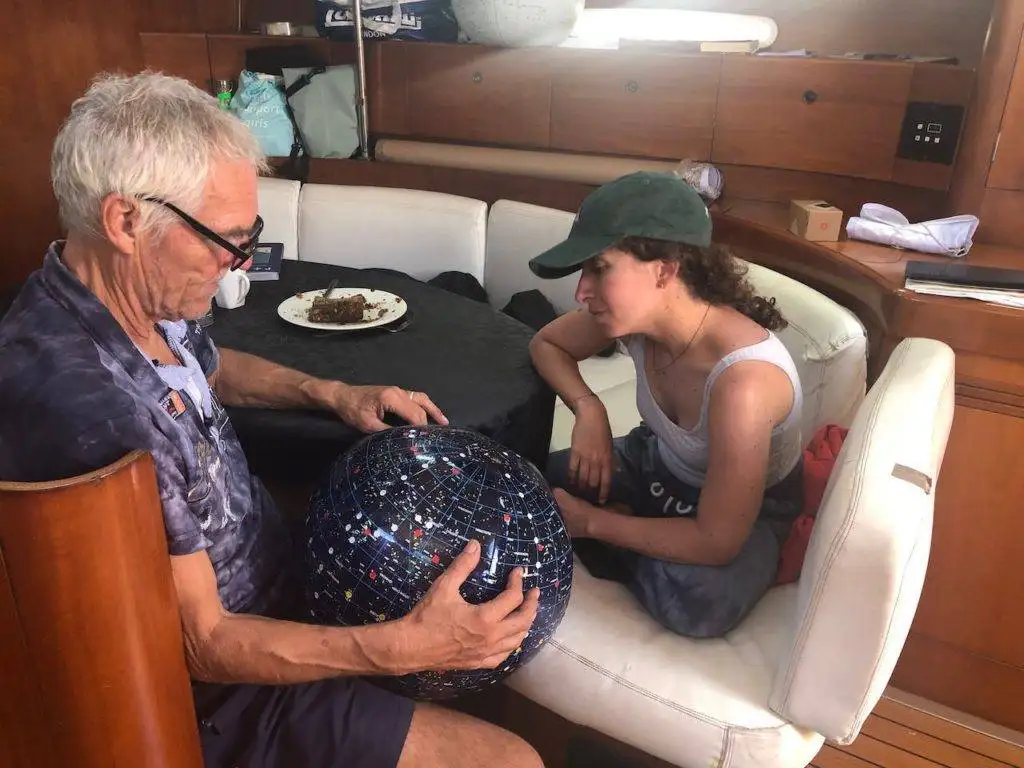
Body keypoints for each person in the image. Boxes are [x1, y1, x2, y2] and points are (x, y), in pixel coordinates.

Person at [0, 72, 543, 768]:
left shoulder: (124, 300)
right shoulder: (87, 407)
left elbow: (208, 367)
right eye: (225, 240)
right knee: (511, 761)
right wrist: (397, 645)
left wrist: (331, 392)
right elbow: (202, 641)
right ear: (125, 222)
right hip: (223, 695)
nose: (242, 262)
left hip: (274, 587)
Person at [528, 171, 803, 639]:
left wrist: (593, 522)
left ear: (665, 268)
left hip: (746, 513)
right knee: (523, 484)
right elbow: (545, 344)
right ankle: (643, 535)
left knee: (698, 600)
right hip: (654, 464)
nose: (581, 292)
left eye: (599, 267)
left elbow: (717, 542)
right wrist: (588, 409)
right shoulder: (634, 320)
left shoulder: (743, 382)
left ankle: (622, 533)